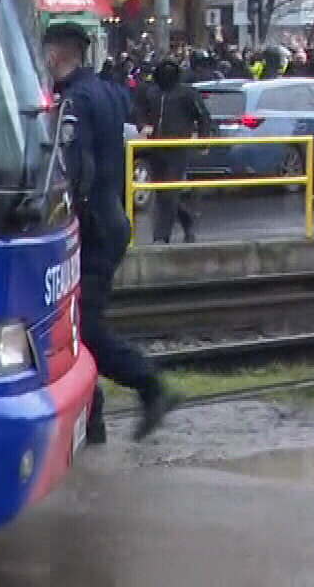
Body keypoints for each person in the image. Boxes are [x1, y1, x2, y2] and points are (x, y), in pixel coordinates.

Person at [43, 22, 177, 444]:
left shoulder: (76, 100)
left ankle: (150, 385)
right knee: (78, 325)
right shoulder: (105, 91)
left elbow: (77, 168)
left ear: (55, 54)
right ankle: (94, 420)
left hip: (93, 227)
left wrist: (65, 216)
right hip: (111, 219)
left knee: (85, 327)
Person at [137, 58, 215, 243]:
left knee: (170, 192)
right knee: (162, 193)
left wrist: (203, 141)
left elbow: (203, 117)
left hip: (178, 149)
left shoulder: (186, 93)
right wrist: (143, 126)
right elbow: (139, 111)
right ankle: (187, 219)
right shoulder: (152, 93)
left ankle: (161, 237)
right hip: (155, 148)